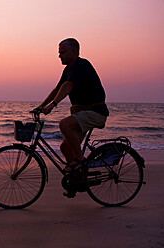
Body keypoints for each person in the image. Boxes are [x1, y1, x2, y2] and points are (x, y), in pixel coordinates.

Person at [36, 38, 109, 188]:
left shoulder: (81, 65)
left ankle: (79, 160)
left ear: (74, 52)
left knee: (65, 124)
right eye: (59, 53)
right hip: (83, 113)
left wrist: (53, 105)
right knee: (64, 147)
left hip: (95, 112)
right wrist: (41, 106)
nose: (59, 56)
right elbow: (58, 89)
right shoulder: (68, 69)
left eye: (62, 52)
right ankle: (78, 179)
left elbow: (68, 86)